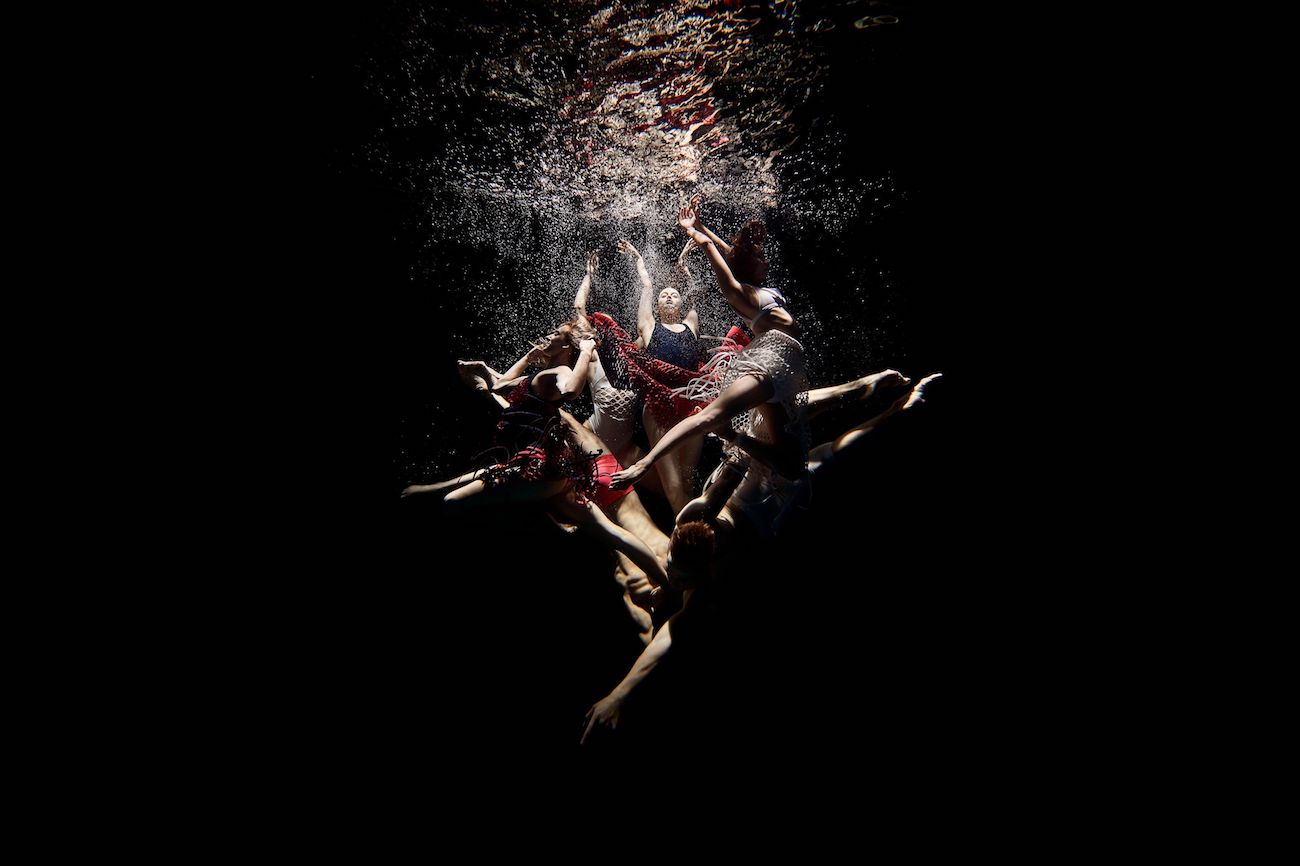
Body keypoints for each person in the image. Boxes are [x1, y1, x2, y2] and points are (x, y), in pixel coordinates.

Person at [611, 203, 810, 493]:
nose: (766, 262)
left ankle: (734, 437)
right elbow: (717, 256)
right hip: (768, 365)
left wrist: (702, 228)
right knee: (708, 417)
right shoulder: (738, 293)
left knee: (792, 466)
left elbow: (731, 255)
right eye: (760, 258)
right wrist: (693, 232)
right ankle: (644, 464)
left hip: (785, 367)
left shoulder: (752, 286)